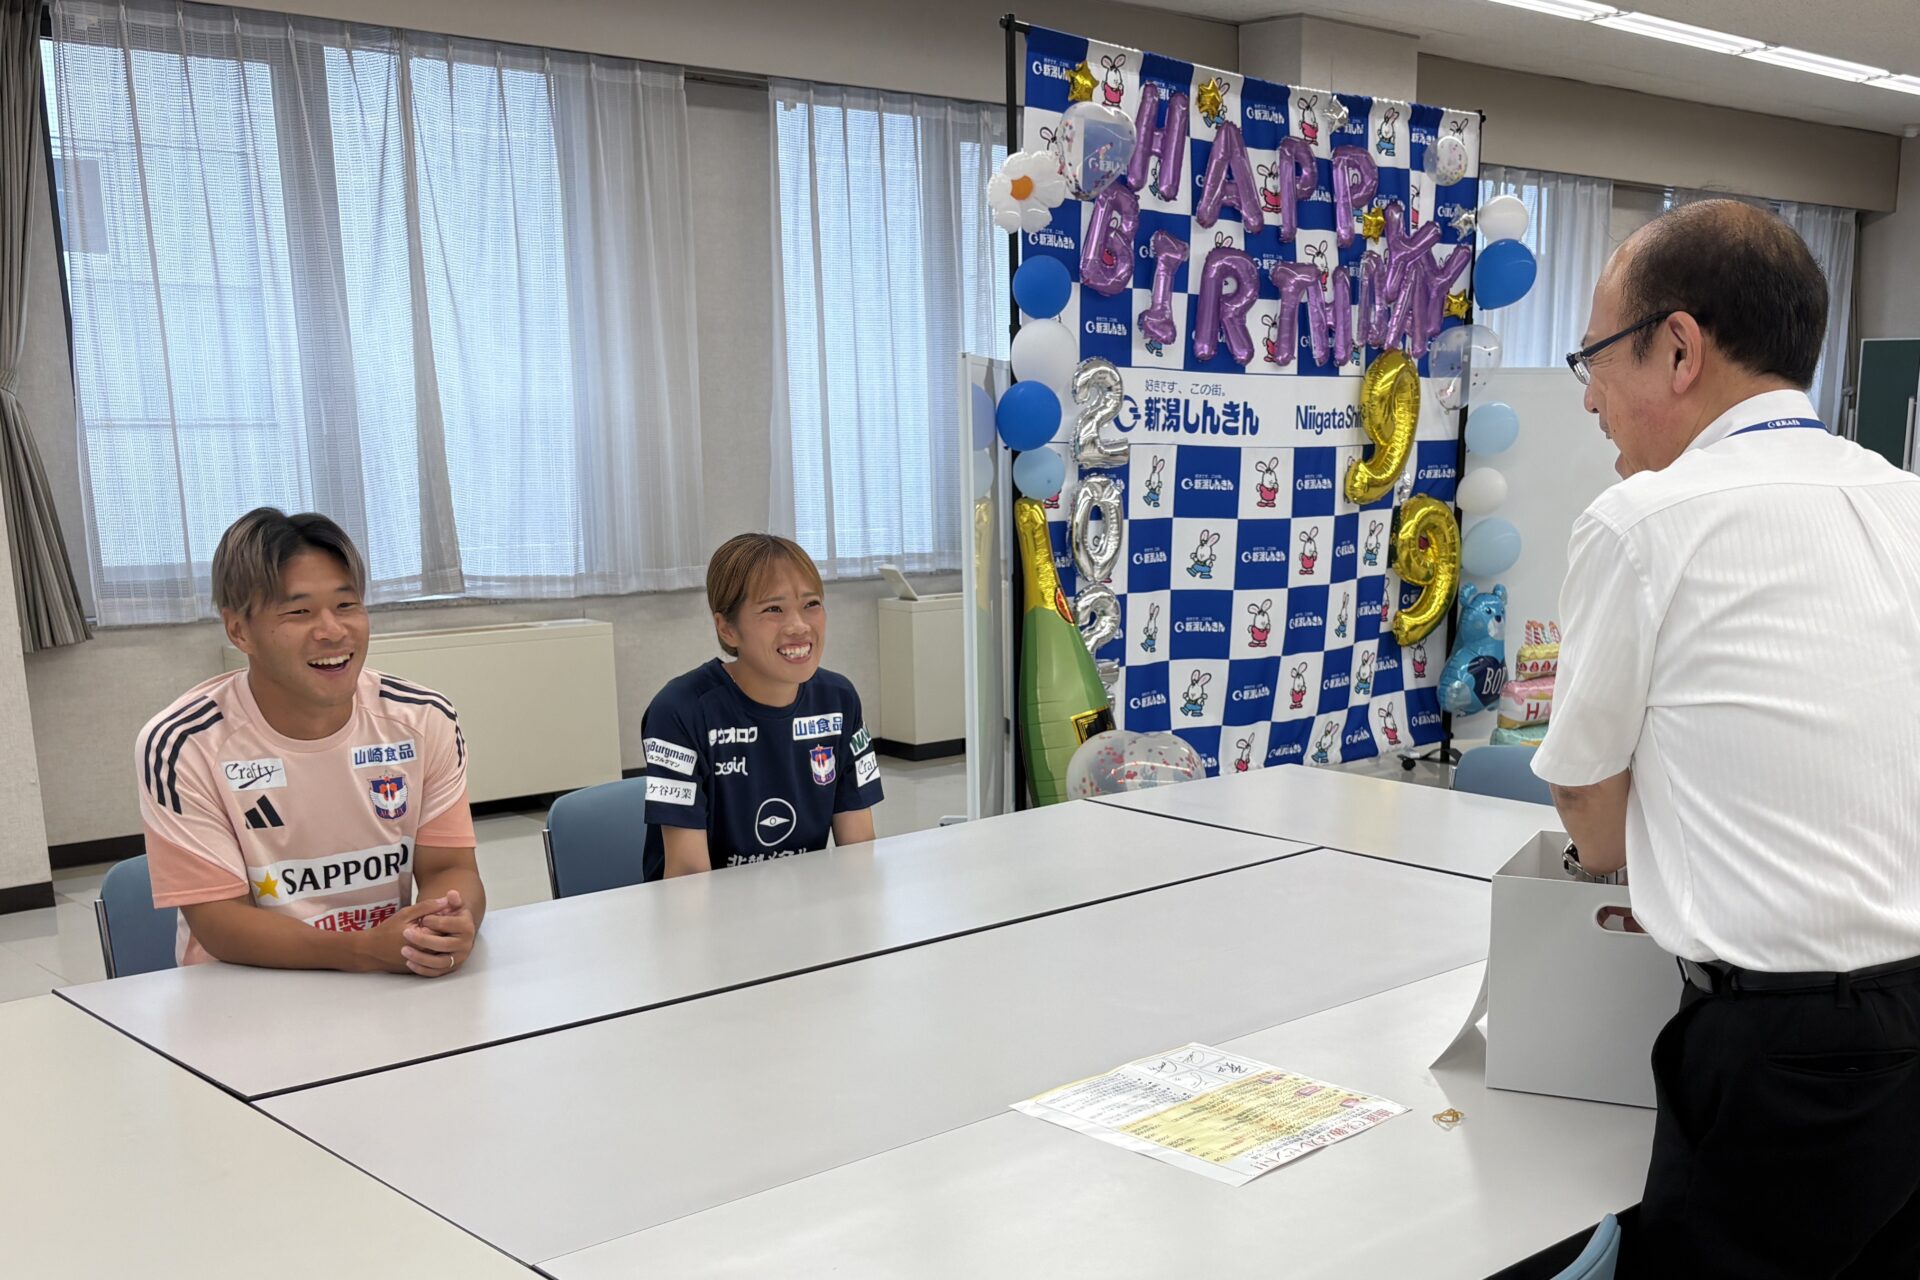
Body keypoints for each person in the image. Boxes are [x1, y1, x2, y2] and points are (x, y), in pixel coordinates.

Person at [1535, 199, 1920, 1276]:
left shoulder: (1647, 521)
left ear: (1678, 347)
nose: (1589, 395)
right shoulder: (1905, 501)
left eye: (1594, 356)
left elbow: (1589, 809)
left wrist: (1612, 851)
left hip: (1780, 1050)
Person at [137, 509, 485, 974]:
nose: (332, 631)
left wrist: (448, 923)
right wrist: (363, 951)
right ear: (239, 630)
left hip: (388, 982)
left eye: (346, 605)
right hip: (245, 989)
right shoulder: (183, 744)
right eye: (299, 612)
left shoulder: (424, 719)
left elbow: (449, 867)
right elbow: (219, 921)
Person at [640, 533, 882, 880]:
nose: (799, 626)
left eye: (811, 604)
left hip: (805, 904)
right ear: (727, 629)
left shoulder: (839, 700)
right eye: (773, 609)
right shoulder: (679, 711)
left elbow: (859, 850)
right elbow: (688, 877)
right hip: (707, 909)